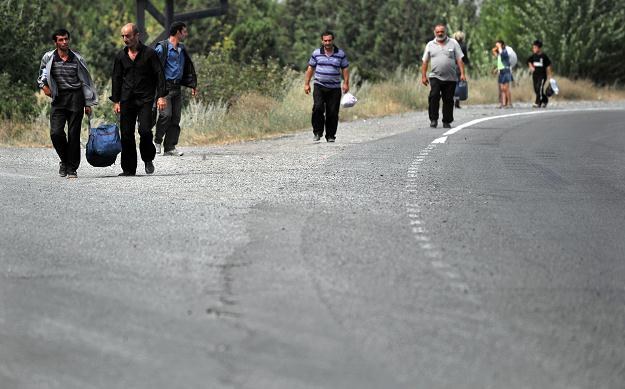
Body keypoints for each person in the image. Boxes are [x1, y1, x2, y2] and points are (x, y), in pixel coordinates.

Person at [37, 29, 98, 178]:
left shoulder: (77, 58)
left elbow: (85, 82)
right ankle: (64, 160)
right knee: (56, 133)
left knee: (73, 134)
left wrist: (88, 103)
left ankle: (72, 168)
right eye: (61, 40)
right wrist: (44, 87)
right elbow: (42, 76)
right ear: (55, 42)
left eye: (66, 39)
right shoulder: (49, 57)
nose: (64, 42)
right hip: (59, 98)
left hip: (76, 97)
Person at [110, 23, 167, 176]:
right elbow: (116, 79)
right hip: (126, 99)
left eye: (127, 36)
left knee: (144, 130)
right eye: (122, 36)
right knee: (127, 134)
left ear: (136, 35)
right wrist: (116, 101)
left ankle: (148, 158)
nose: (125, 39)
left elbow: (159, 75)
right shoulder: (120, 56)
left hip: (145, 99)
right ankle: (129, 169)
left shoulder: (149, 53)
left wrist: (161, 96)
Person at [154, 21, 197, 156]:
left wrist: (192, 84)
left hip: (177, 87)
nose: (186, 34)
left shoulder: (181, 48)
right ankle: (157, 140)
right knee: (166, 115)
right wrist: (158, 93)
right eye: (184, 31)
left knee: (176, 118)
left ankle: (170, 147)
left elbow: (188, 67)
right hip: (165, 87)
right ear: (178, 32)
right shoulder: (162, 48)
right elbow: (155, 69)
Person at [304, 30, 349, 142]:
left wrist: (346, 83)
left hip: (334, 88)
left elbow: (345, 68)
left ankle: (330, 135)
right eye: (325, 40)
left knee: (332, 112)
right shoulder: (316, 53)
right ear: (322, 41)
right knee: (318, 108)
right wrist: (306, 84)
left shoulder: (340, 54)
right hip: (319, 85)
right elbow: (310, 68)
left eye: (329, 40)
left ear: (333, 40)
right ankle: (317, 132)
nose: (327, 42)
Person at [421, 24, 466, 129]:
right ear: (435, 33)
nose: (440, 33)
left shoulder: (453, 43)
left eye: (442, 31)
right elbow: (425, 61)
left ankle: (447, 121)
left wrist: (463, 74)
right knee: (434, 96)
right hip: (435, 76)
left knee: (448, 100)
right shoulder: (430, 45)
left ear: (445, 32)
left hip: (451, 78)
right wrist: (423, 76)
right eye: (438, 32)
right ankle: (433, 119)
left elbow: (460, 59)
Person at [527, 39, 553, 108]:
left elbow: (548, 66)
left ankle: (537, 102)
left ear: (539, 48)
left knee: (539, 88)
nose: (533, 49)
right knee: (536, 89)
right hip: (535, 75)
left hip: (542, 76)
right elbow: (529, 61)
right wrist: (531, 67)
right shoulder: (533, 56)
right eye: (533, 47)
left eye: (535, 48)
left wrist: (550, 77)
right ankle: (545, 100)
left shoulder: (544, 56)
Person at [493, 40, 513, 108]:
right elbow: (500, 62)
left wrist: (499, 47)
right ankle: (503, 103)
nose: (497, 47)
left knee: (506, 88)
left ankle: (509, 103)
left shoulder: (505, 52)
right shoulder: (499, 54)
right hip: (501, 71)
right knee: (502, 89)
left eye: (498, 45)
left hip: (506, 71)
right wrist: (496, 69)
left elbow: (502, 55)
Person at [452, 31, 470, 109]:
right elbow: (465, 57)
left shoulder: (451, 45)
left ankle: (451, 102)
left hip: (450, 66)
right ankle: (457, 103)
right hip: (459, 66)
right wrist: (468, 63)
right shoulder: (463, 45)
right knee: (459, 83)